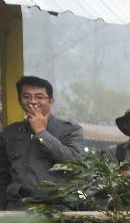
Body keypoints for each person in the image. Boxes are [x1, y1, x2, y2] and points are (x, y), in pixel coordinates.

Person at [0, 76, 87, 209]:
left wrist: (41, 132)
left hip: (58, 209)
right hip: (18, 208)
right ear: (19, 100)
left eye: (39, 97)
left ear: (51, 101)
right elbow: (3, 175)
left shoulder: (70, 130)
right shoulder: (10, 132)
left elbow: (75, 163)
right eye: (26, 96)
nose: (33, 102)